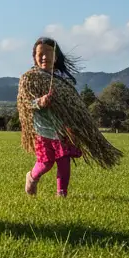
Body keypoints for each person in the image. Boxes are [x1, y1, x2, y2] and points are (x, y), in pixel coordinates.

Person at [21, 37, 83, 197]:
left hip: (62, 130)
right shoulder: (29, 79)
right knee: (46, 163)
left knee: (64, 162)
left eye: (49, 53)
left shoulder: (62, 81)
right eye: (40, 53)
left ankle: (61, 193)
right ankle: (32, 177)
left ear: (56, 57)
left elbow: (72, 104)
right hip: (43, 130)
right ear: (34, 57)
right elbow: (26, 102)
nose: (44, 57)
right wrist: (40, 102)